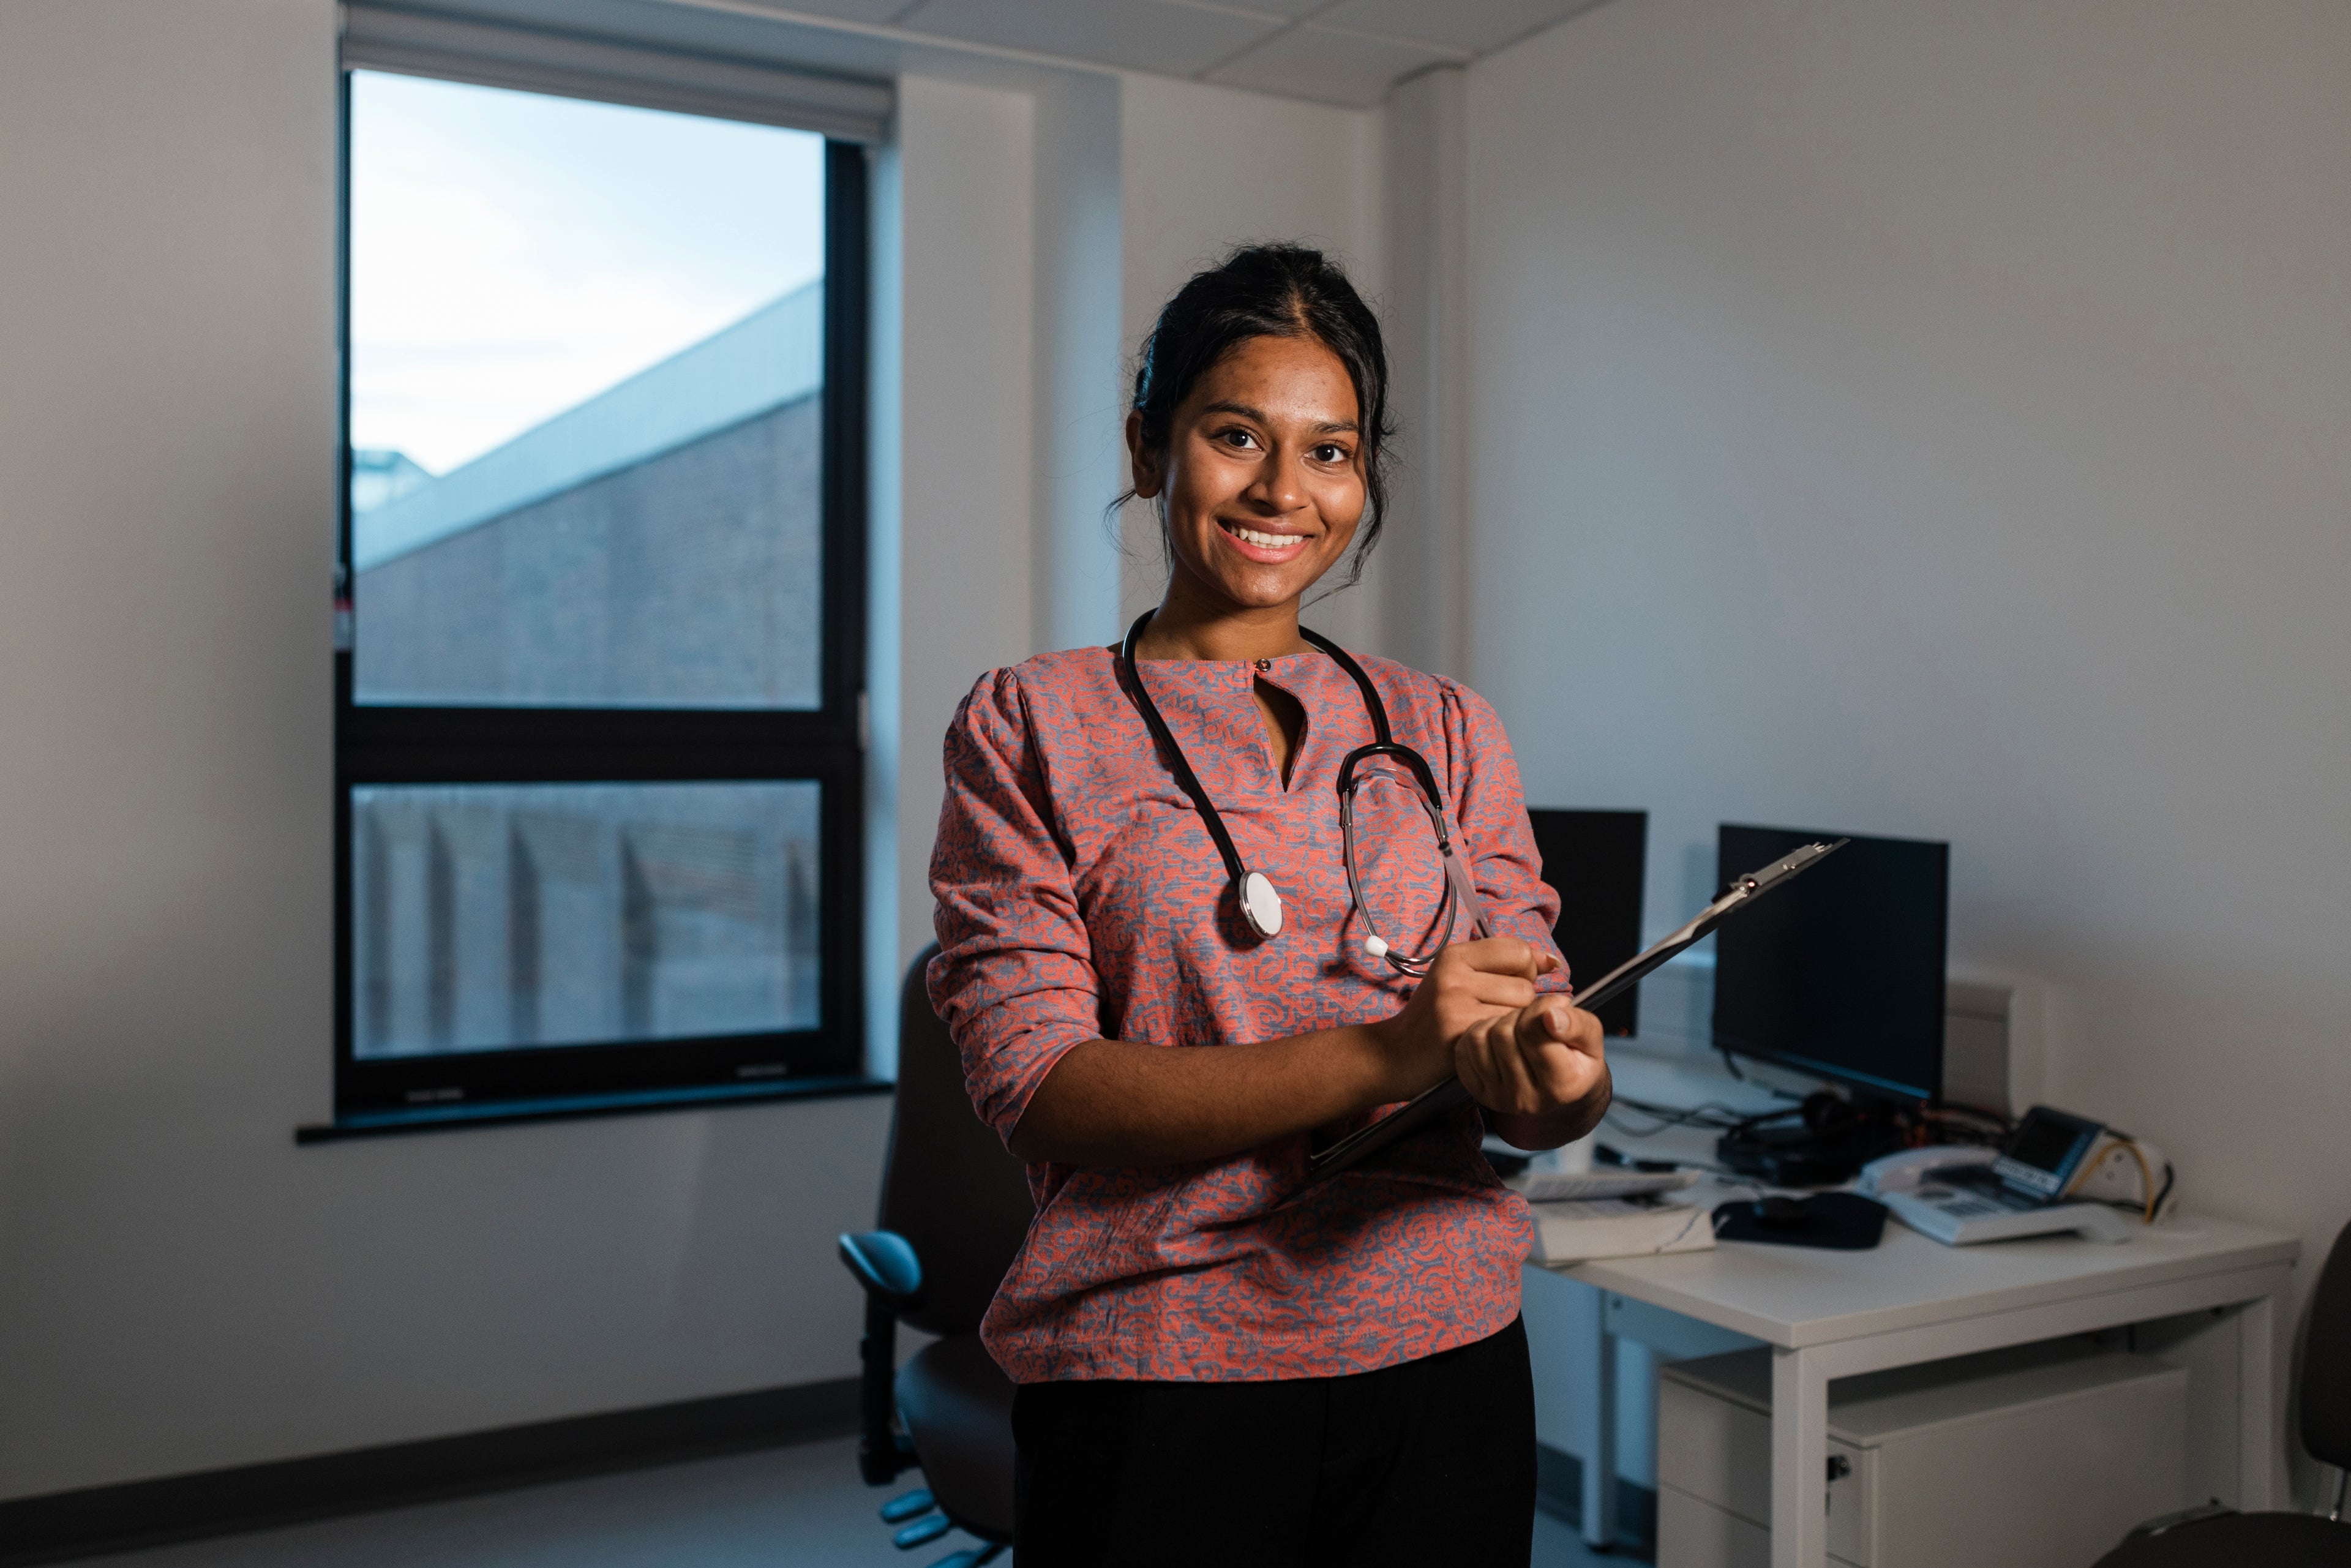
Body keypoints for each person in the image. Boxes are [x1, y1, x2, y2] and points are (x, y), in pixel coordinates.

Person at [927, 243, 1611, 1567]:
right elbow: (1042, 1084)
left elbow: (1540, 1083)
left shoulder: (1446, 728)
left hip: (1443, 1360)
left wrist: (1557, 1073)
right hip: (1157, 1377)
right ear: (1149, 447)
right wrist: (1388, 1053)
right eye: (1237, 435)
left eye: (1333, 451)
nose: (1285, 491)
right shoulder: (1033, 722)